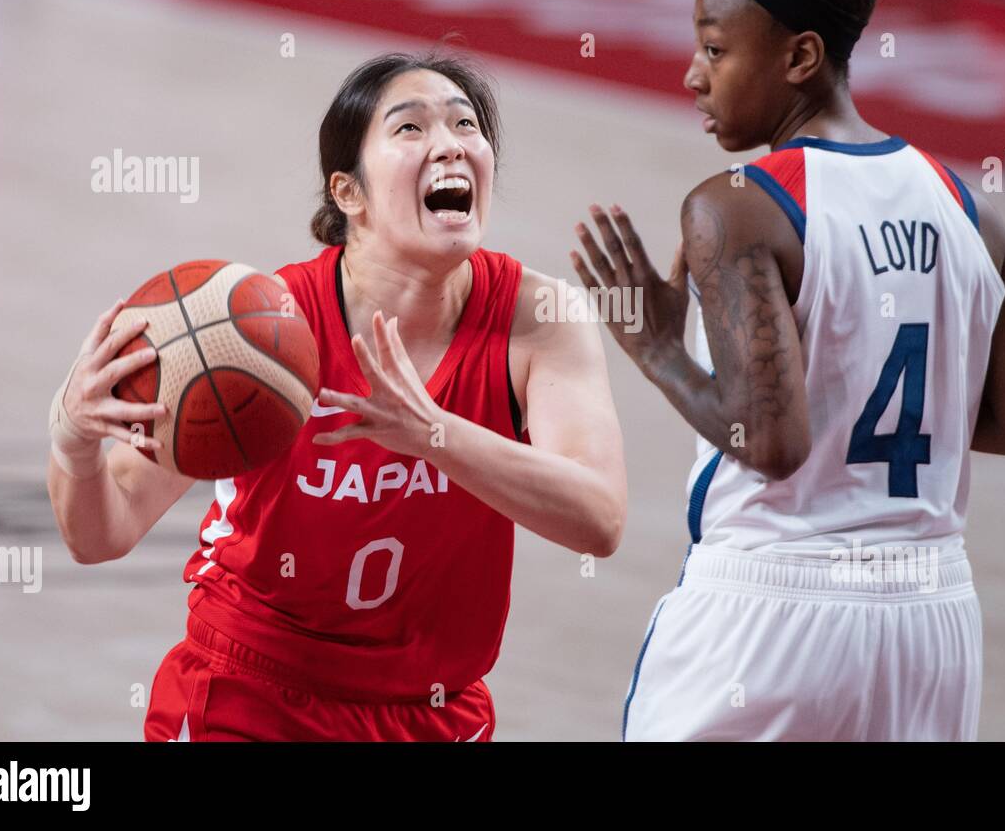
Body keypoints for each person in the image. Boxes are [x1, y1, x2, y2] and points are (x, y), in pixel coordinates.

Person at [572, 0, 1005, 741]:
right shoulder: (965, 204)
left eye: (715, 49)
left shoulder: (737, 206)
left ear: (800, 56)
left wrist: (657, 348)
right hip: (932, 622)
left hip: (773, 615)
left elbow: (771, 445)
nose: (693, 74)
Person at [47, 52, 628, 741]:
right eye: (410, 129)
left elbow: (600, 519)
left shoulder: (538, 316)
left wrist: (435, 434)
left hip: (432, 710)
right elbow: (101, 534)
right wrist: (71, 438)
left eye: (466, 125)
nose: (450, 144)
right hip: (250, 695)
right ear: (348, 193)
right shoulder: (256, 335)